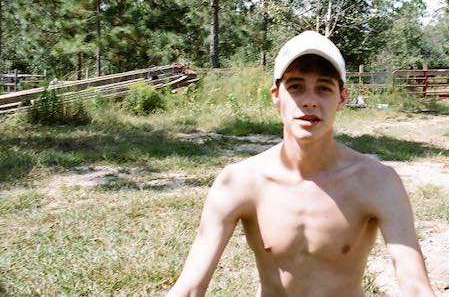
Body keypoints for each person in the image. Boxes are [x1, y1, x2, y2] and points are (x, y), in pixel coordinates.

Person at [168, 31, 435, 297]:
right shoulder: (240, 181)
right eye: (295, 86)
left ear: (341, 98)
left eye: (323, 88)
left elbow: (415, 287)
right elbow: (191, 288)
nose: (309, 101)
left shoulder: (377, 182)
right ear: (276, 95)